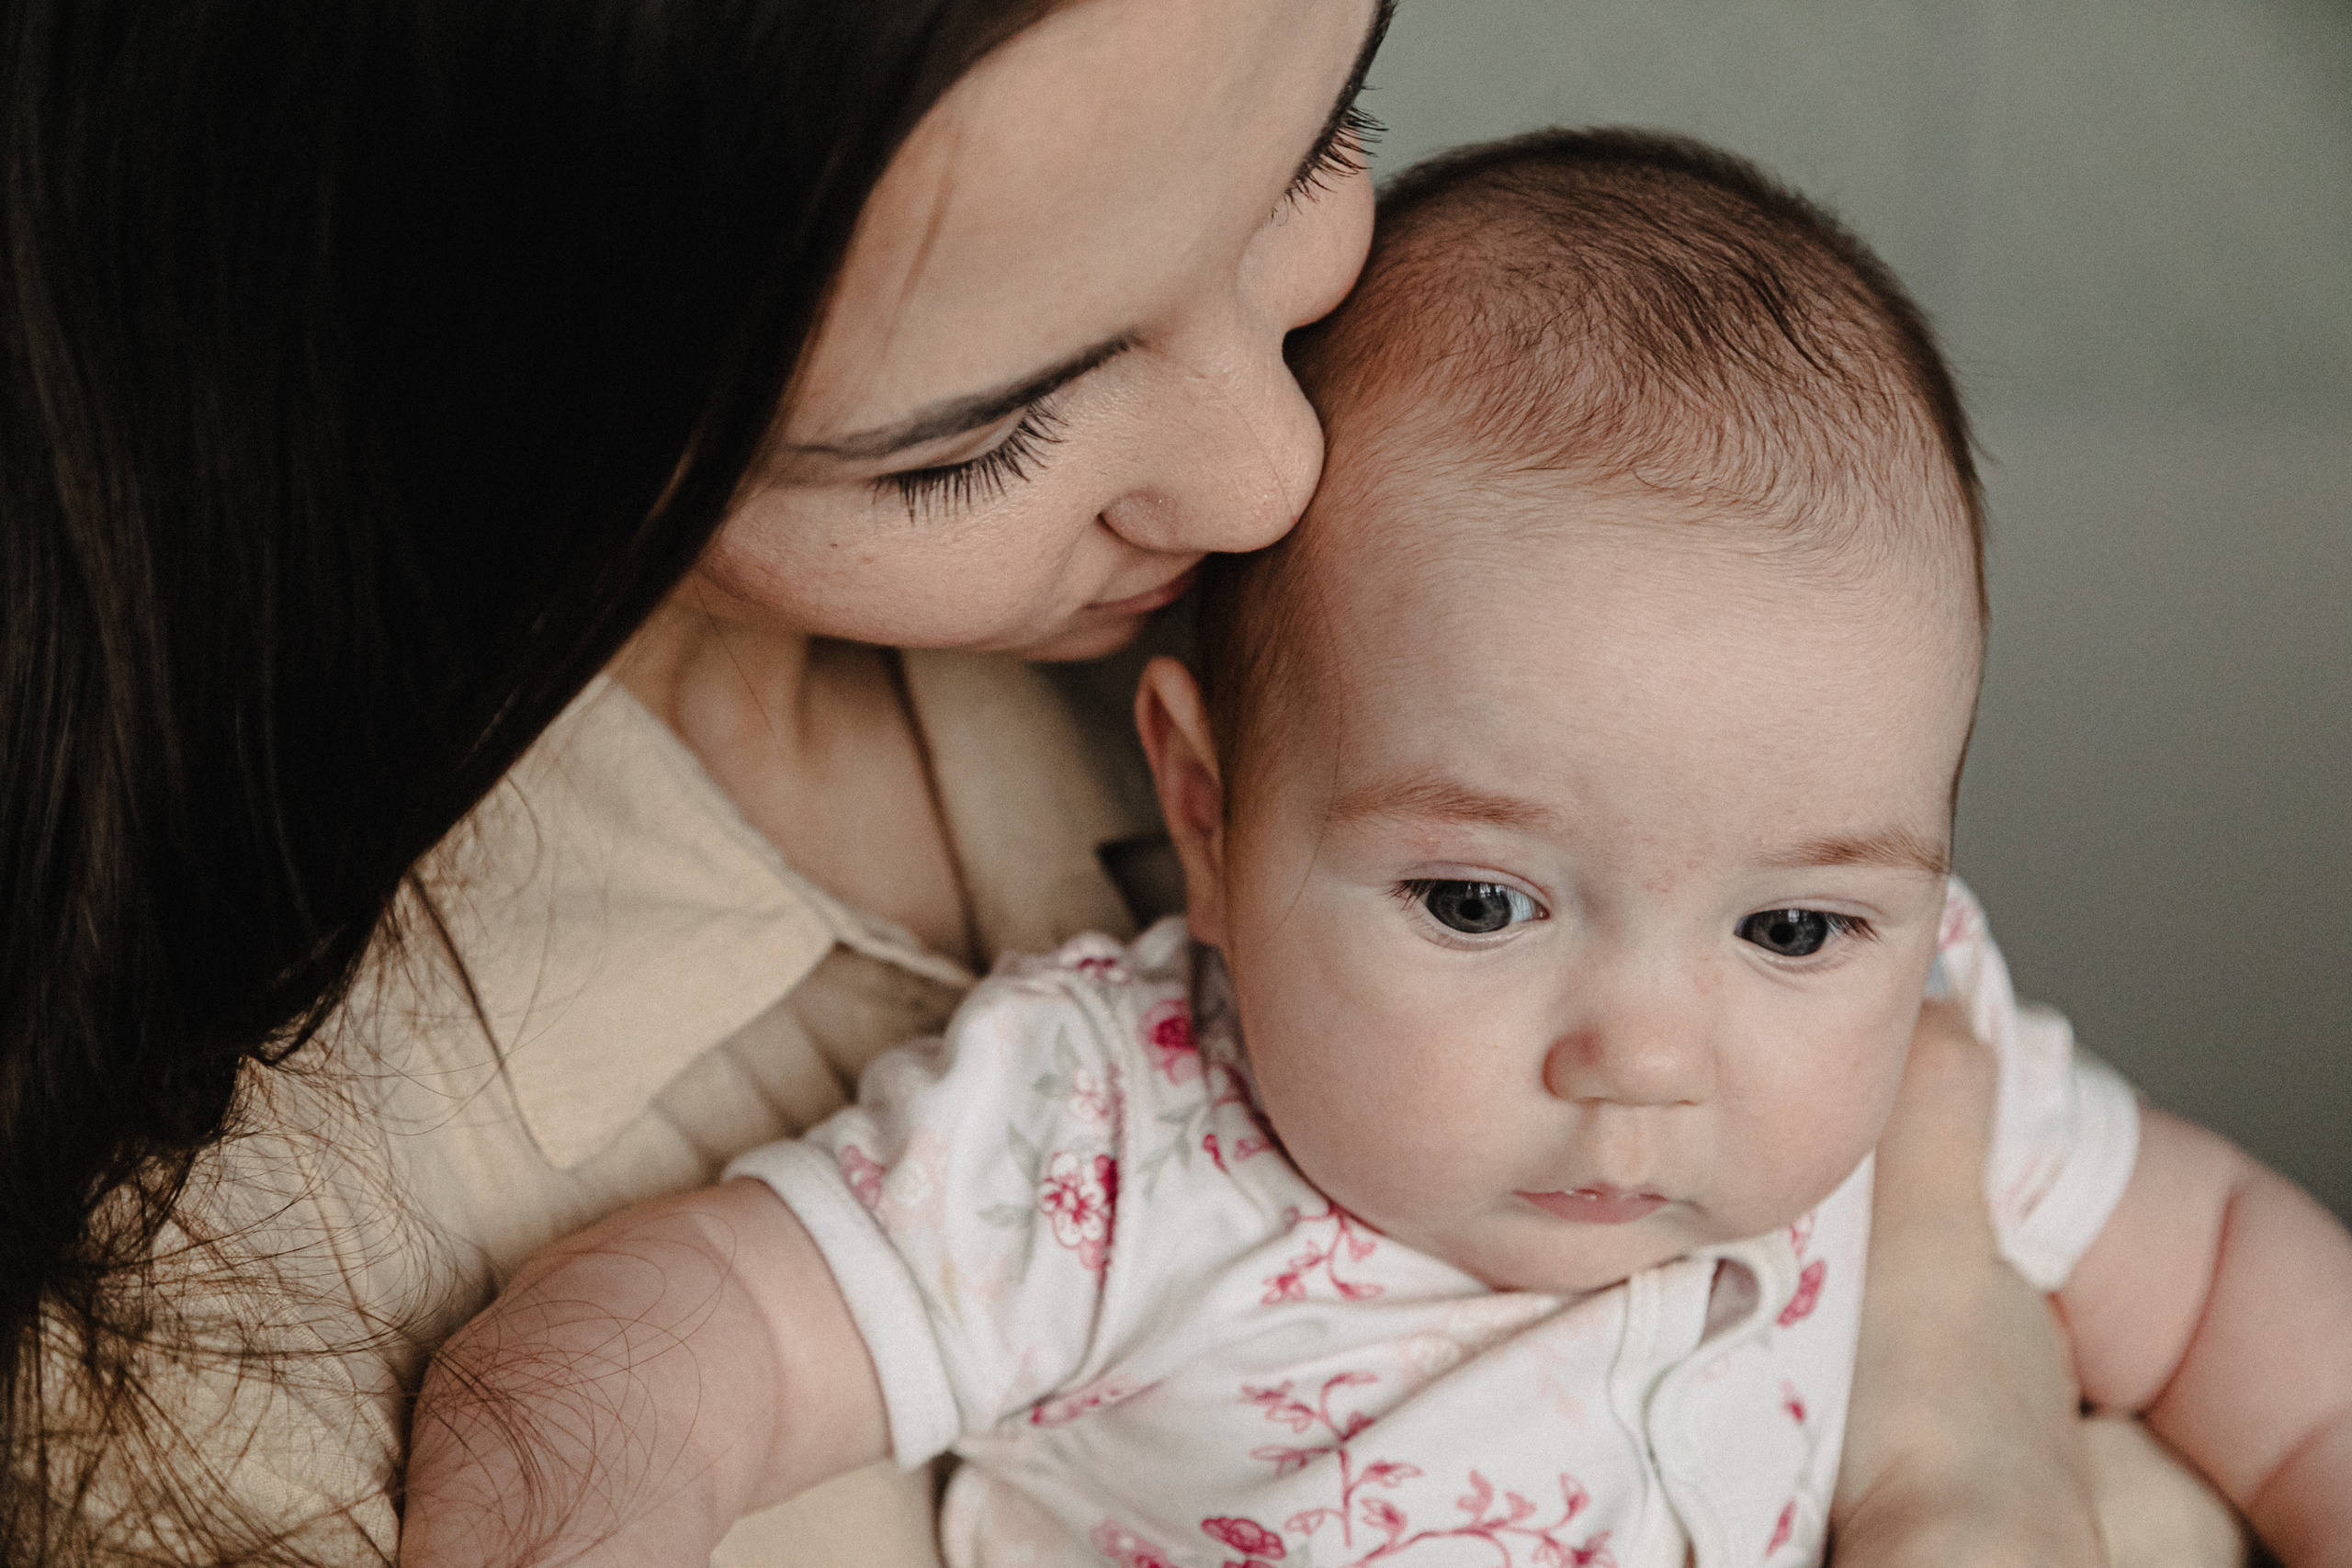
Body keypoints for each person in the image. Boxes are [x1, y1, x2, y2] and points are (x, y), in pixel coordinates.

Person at [0, 0, 2228, 1562]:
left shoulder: (1659, 832)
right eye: (981, 426)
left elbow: (2234, 1297)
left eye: (1312, 147)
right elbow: (631, 1368)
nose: (1274, 470)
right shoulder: (1096, 1141)